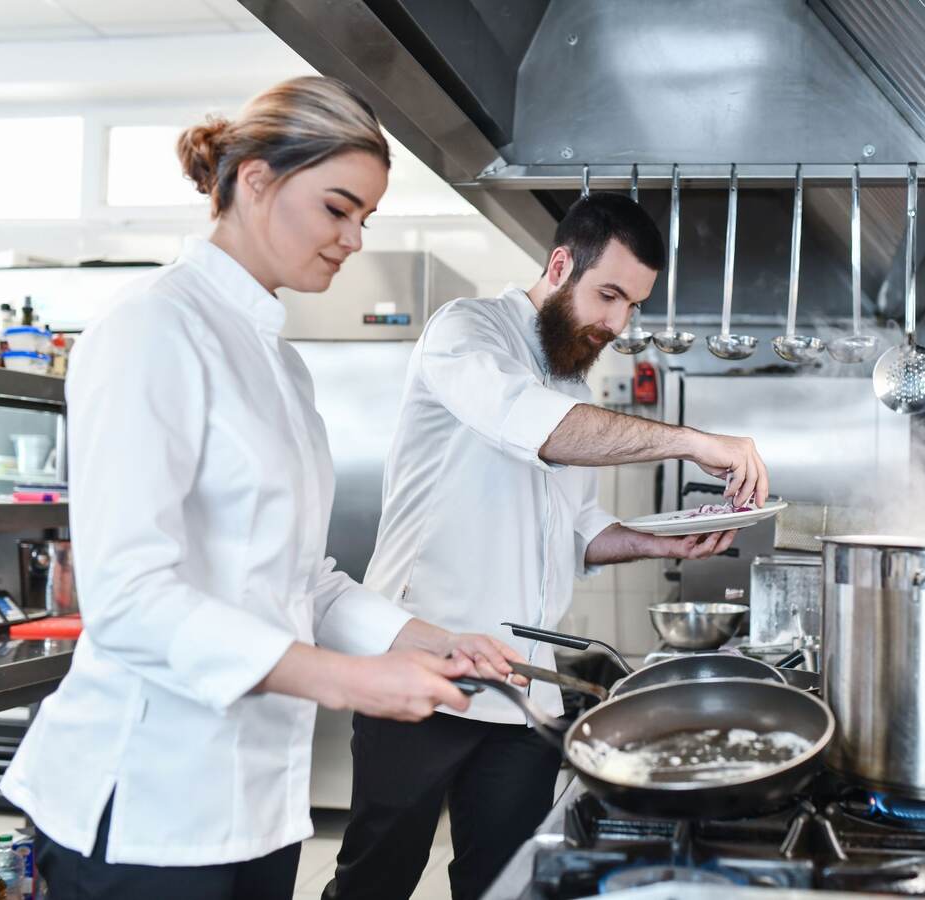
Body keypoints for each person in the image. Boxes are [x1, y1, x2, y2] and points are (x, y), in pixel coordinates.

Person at [0, 76, 525, 900]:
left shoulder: (281, 362)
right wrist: (352, 682)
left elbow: (296, 577)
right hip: (146, 806)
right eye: (337, 208)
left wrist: (419, 637)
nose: (352, 239)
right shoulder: (150, 328)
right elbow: (130, 597)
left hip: (258, 806)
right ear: (256, 180)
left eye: (366, 219)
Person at [325, 192, 770, 900]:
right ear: (561, 264)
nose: (618, 324)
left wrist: (662, 546)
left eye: (633, 306)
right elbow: (535, 424)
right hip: (421, 666)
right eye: (610, 295)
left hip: (524, 685)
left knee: (505, 882)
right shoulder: (465, 333)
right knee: (376, 878)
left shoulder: (566, 376)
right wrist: (690, 440)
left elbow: (581, 531)